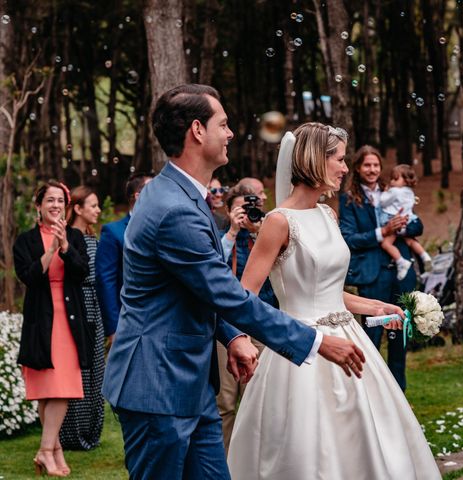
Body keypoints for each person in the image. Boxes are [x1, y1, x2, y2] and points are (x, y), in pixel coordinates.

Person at [101, 84, 365, 480]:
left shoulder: (186, 196)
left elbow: (202, 287)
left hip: (190, 382)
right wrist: (316, 341)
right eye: (222, 124)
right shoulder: (173, 209)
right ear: (196, 131)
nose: (230, 133)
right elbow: (228, 293)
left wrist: (234, 337)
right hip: (157, 385)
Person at [227, 123, 440, 479]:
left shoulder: (329, 215)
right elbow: (244, 297)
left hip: (349, 342)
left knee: (366, 440)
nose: (345, 167)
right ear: (314, 160)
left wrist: (376, 306)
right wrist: (242, 341)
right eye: (339, 159)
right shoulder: (278, 223)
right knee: (308, 448)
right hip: (299, 353)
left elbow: (327, 289)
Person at [13, 181, 93, 477]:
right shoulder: (25, 241)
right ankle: (51, 450)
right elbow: (29, 277)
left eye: (60, 201)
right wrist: (49, 251)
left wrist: (66, 247)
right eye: (50, 200)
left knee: (62, 386)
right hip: (41, 321)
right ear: (39, 205)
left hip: (69, 319)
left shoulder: (74, 236)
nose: (56, 205)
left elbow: (83, 272)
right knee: (48, 388)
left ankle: (48, 450)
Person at [339, 145, 423, 391]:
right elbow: (349, 238)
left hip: (401, 273)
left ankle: (399, 394)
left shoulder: (394, 190)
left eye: (376, 165)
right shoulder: (348, 200)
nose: (372, 169)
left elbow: (418, 227)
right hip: (372, 276)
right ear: (357, 168)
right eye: (367, 165)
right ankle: (371, 394)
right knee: (371, 339)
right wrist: (382, 232)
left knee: (400, 338)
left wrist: (403, 227)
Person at [215, 182, 277, 452]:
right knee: (225, 402)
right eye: (241, 209)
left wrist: (260, 232)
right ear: (228, 210)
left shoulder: (269, 234)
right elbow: (213, 266)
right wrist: (232, 232)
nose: (247, 214)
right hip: (228, 326)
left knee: (261, 400)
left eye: (252, 209)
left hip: (261, 321)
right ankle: (223, 463)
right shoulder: (219, 235)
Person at [58, 186, 105, 451]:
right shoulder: (70, 237)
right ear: (77, 208)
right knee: (82, 369)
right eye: (93, 205)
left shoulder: (91, 237)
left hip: (94, 305)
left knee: (95, 370)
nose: (98, 210)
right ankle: (75, 432)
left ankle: (89, 430)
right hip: (80, 305)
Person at [95, 172, 153, 343]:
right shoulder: (113, 232)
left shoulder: (163, 228)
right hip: (128, 322)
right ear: (138, 196)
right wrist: (113, 328)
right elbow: (105, 280)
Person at [378, 164, 432, 281]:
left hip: (396, 223)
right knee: (410, 240)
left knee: (386, 244)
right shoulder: (410, 192)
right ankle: (424, 255)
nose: (392, 181)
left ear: (405, 180)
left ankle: (401, 261)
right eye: (392, 178)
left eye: (395, 179)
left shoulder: (395, 191)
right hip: (408, 221)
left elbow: (382, 202)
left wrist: (385, 192)